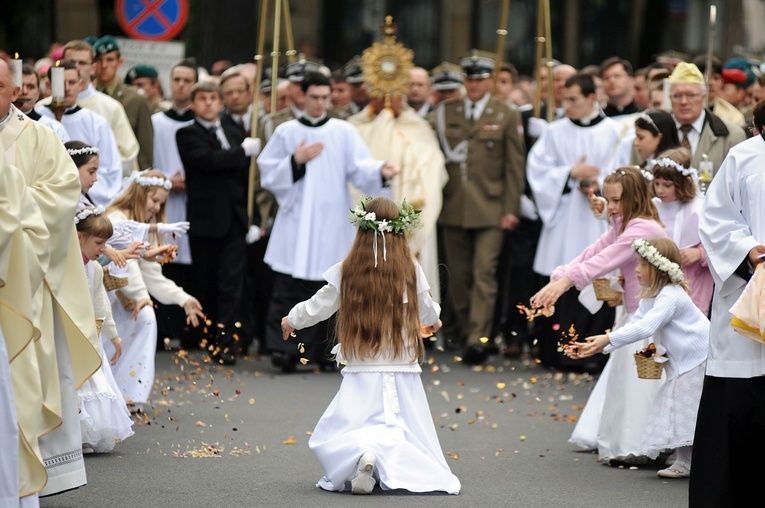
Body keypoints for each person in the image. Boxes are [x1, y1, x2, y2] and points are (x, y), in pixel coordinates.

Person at [281, 196, 460, 495]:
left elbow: (320, 305)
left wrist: (292, 320)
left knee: (352, 420)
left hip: (361, 362)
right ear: (400, 230)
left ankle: (365, 455)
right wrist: (436, 319)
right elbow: (427, 309)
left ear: (362, 230)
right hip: (400, 363)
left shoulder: (348, 268)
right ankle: (381, 460)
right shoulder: (410, 268)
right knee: (399, 422)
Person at [0, 56, 102, 499]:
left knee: (29, 375)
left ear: (14, 88)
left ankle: (33, 472)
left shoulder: (37, 135)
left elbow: (63, 197)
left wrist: (12, 207)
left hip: (25, 278)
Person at [257, 71, 399, 372]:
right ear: (301, 96)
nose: (321, 103)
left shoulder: (343, 131)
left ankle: (324, 351)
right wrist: (295, 161)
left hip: (332, 218)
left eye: (325, 97)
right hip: (297, 219)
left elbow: (360, 169)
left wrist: (380, 171)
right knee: (289, 285)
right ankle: (285, 349)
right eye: (314, 97)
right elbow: (268, 174)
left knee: (332, 285)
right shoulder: (287, 131)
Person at [532, 166, 667, 463]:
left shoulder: (643, 228)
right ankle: (627, 440)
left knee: (640, 385)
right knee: (623, 381)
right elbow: (591, 253)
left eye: (617, 201)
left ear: (634, 197)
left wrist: (566, 283)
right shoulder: (623, 224)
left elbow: (605, 261)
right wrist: (559, 278)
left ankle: (642, 444)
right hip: (633, 310)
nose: (612, 208)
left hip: (650, 317)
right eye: (609, 200)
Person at [569, 237, 708, 479]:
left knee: (685, 409)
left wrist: (607, 340)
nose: (636, 270)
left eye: (643, 264)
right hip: (684, 363)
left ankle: (692, 460)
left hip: (698, 359)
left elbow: (646, 327)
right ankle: (685, 460)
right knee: (678, 407)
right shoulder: (653, 295)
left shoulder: (671, 296)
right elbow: (636, 322)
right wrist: (600, 344)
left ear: (659, 268)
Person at [690, 98, 765, 506]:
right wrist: (750, 250)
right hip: (749, 292)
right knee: (737, 405)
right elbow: (715, 217)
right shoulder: (744, 157)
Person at [526, 73, 629, 369]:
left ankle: (592, 355)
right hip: (565, 219)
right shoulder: (554, 132)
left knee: (598, 276)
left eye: (573, 99)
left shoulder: (616, 131)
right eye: (564, 100)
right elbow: (537, 170)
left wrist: (598, 183)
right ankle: (554, 352)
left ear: (591, 98)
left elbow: (625, 170)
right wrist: (570, 173)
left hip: (599, 219)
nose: (567, 105)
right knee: (562, 277)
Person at [429, 50, 526, 365]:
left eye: (480, 79)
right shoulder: (445, 111)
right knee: (457, 276)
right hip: (453, 206)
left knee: (484, 273)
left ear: (490, 82)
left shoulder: (506, 113)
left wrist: (511, 207)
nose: (474, 84)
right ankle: (461, 330)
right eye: (469, 78)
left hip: (491, 207)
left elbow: (514, 166)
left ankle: (478, 338)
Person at [176, 81, 261, 364]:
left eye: (214, 98)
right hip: (206, 221)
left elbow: (246, 179)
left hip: (234, 220)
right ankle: (211, 338)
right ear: (194, 104)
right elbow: (207, 161)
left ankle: (228, 343)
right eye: (203, 99)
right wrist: (241, 153)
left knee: (231, 283)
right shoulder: (187, 134)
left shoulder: (234, 131)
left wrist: (252, 218)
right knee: (208, 282)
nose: (209, 104)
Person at [105, 170, 204, 410]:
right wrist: (142, 297)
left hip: (128, 294)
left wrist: (184, 299)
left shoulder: (146, 225)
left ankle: (130, 393)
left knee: (147, 318)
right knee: (143, 317)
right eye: (154, 200)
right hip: (107, 295)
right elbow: (125, 263)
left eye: (161, 203)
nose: (156, 208)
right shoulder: (116, 217)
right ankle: (112, 391)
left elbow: (151, 275)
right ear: (139, 194)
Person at [74, 206, 135, 453]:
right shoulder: (65, 265)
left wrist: (115, 337)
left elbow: (101, 305)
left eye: (105, 243)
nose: (103, 248)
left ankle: (88, 433)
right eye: (99, 242)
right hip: (71, 333)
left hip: (91, 334)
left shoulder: (95, 268)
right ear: (79, 238)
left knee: (94, 382)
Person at [151, 60, 199, 348]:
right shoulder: (156, 122)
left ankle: (188, 331)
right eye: (177, 79)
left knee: (189, 266)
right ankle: (163, 330)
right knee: (163, 263)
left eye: (187, 80)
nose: (181, 84)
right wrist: (166, 182)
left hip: (192, 203)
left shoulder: (201, 123)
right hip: (161, 202)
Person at [35, 60, 123, 207]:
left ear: (80, 85)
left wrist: (80, 187)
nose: (66, 88)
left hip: (87, 201)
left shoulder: (96, 122)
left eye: (72, 82)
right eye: (61, 82)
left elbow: (110, 170)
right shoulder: (37, 117)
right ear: (49, 85)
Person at [55, 39, 140, 175]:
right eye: (71, 63)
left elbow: (127, 155)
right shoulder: (44, 107)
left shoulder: (111, 107)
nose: (76, 67)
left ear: (93, 68)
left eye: (82, 63)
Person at [667, 62, 746, 172]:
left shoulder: (731, 136)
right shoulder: (655, 131)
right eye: (677, 95)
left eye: (691, 95)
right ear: (670, 98)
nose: (684, 101)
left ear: (703, 97)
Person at [93, 35, 154, 170]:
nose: (104, 66)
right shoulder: (86, 97)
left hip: (126, 172)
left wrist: (143, 181)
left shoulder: (136, 100)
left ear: (119, 62)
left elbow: (145, 148)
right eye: (99, 60)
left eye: (110, 60)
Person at [16, 64, 69, 140]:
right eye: (20, 86)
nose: (24, 91)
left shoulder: (53, 127)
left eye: (30, 87)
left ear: (38, 93)